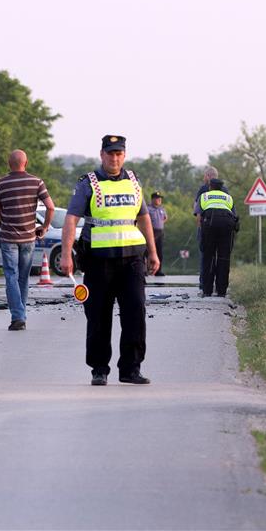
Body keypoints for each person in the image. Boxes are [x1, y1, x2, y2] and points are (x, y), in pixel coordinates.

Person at [60, 134, 160, 386]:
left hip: (132, 259)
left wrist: (153, 251)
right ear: (102, 155)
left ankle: (130, 369)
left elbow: (144, 217)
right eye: (110, 154)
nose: (114, 158)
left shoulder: (134, 181)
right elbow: (71, 218)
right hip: (98, 260)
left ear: (124, 155)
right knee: (98, 316)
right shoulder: (88, 183)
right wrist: (65, 253)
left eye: (119, 154)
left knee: (135, 312)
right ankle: (99, 369)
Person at [0, 149, 55, 331]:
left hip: (8, 238)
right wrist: (44, 228)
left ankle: (18, 317)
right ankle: (21, 315)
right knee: (23, 278)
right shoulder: (37, 182)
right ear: (25, 163)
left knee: (11, 276)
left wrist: (4, 220)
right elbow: (50, 208)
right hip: (29, 238)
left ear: (8, 164)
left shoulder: (1, 184)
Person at [199, 177, 237, 298]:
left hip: (209, 224)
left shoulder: (204, 196)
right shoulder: (228, 198)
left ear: (210, 187)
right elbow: (234, 214)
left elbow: (199, 215)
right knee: (224, 258)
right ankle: (221, 291)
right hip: (226, 225)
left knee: (208, 257)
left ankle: (207, 290)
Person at [194, 166, 227, 293]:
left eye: (204, 176)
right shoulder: (225, 190)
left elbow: (198, 212)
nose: (204, 178)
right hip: (224, 229)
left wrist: (200, 229)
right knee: (222, 258)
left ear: (208, 176)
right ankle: (221, 288)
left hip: (206, 228)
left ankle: (205, 286)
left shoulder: (203, 189)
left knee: (206, 256)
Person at [148, 191, 168, 276]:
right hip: (151, 231)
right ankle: (146, 270)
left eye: (160, 199)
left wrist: (160, 223)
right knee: (148, 251)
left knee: (159, 252)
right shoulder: (148, 209)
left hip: (160, 232)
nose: (159, 200)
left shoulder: (161, 209)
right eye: (157, 198)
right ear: (153, 199)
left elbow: (165, 218)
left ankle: (158, 270)